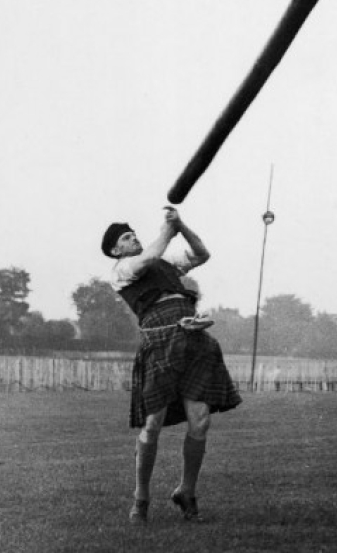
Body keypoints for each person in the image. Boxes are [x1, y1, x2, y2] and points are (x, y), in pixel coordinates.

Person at [101, 207, 241, 525]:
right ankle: (141, 499)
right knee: (153, 424)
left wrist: (181, 225)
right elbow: (148, 259)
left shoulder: (166, 263)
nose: (133, 237)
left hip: (193, 339)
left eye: (133, 232)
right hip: (160, 343)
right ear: (115, 250)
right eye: (126, 237)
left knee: (200, 421)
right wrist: (167, 228)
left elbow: (202, 253)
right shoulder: (122, 270)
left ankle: (186, 492)